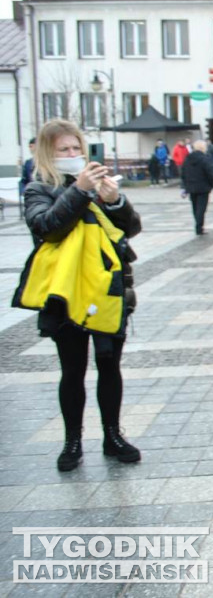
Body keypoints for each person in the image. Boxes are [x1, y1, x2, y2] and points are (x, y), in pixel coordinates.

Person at [16, 119, 142, 472]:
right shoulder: (38, 188)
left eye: (76, 148)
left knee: (108, 364)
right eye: (64, 150)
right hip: (65, 294)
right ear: (47, 153)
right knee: (72, 369)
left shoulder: (99, 183)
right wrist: (79, 191)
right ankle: (72, 441)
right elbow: (47, 228)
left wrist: (115, 201)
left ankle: (113, 435)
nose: (73, 155)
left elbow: (130, 228)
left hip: (106, 290)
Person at [181, 139, 213, 235]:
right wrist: (212, 184)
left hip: (191, 186)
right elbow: (210, 173)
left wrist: (185, 185)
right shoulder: (205, 158)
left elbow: (183, 172)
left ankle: (198, 225)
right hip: (203, 187)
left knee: (195, 207)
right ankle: (199, 227)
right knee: (202, 208)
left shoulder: (187, 158)